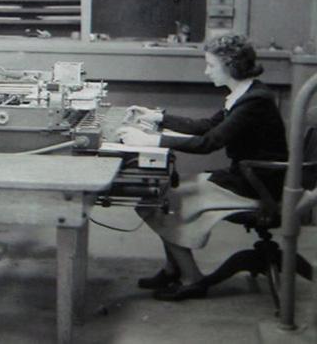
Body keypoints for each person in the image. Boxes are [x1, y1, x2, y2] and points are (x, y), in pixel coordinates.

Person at [116, 34, 287, 301]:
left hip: (258, 184)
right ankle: (173, 268)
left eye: (210, 65)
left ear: (230, 66)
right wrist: (157, 117)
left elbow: (210, 142)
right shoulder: (246, 94)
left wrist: (150, 139)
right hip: (248, 176)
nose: (206, 71)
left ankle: (191, 278)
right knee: (157, 196)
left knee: (164, 201)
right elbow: (206, 126)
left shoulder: (255, 101)